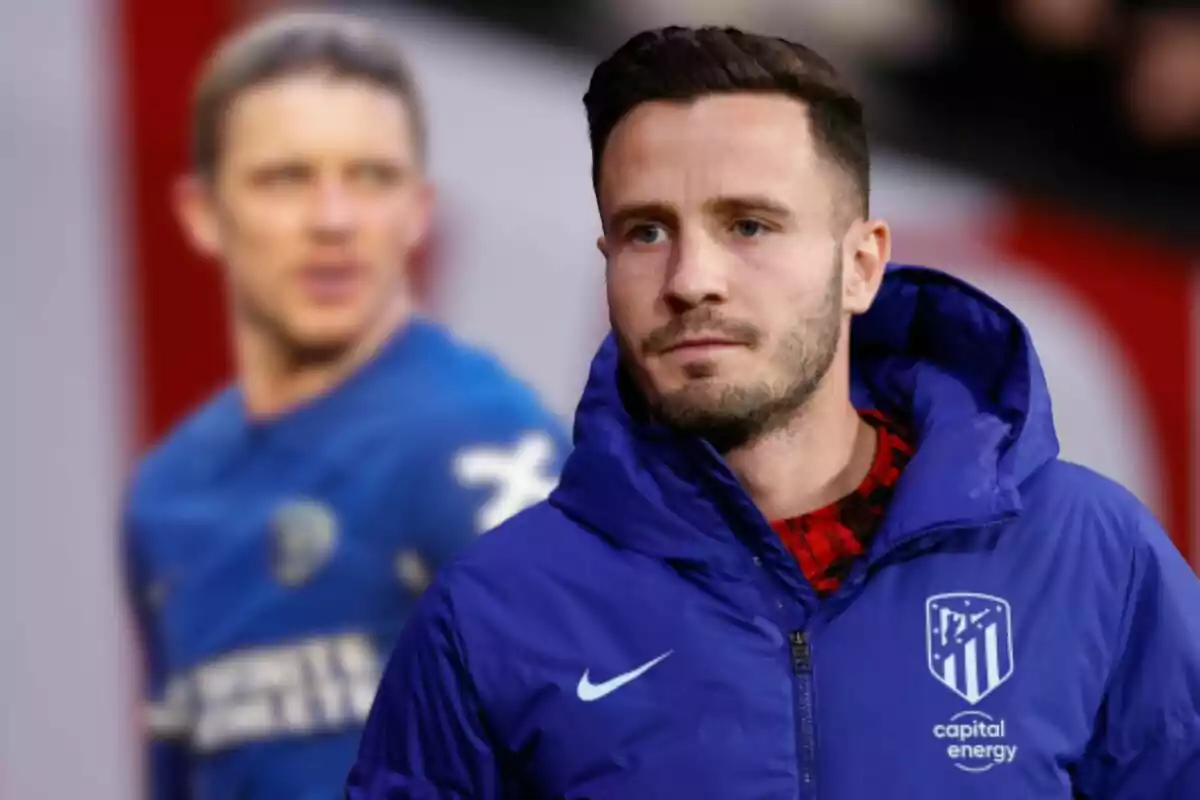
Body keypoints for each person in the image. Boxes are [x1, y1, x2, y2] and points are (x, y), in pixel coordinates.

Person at [345, 25, 1200, 799]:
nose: (690, 279)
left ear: (861, 266)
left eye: (748, 226)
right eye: (646, 231)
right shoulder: (495, 610)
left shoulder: (1090, 557)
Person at [120, 11, 569, 800]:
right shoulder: (165, 496)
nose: (334, 220)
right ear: (202, 213)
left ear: (419, 210)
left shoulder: (476, 445)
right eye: (286, 177)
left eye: (371, 177)